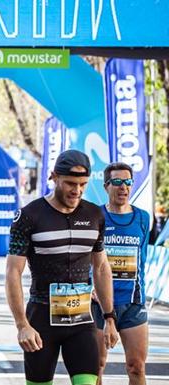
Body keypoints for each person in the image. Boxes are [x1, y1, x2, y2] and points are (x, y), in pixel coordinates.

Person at [5, 150, 119, 385]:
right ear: (53, 177)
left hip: (81, 321)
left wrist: (109, 318)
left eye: (83, 184)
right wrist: (21, 325)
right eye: (70, 183)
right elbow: (13, 272)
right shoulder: (28, 216)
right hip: (41, 319)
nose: (76, 190)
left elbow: (101, 268)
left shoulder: (95, 215)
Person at [93, 162, 150, 385]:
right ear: (106, 185)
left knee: (136, 367)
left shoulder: (143, 218)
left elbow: (142, 260)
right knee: (95, 366)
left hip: (132, 303)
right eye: (117, 182)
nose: (123, 187)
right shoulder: (94, 215)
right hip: (98, 303)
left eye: (127, 182)